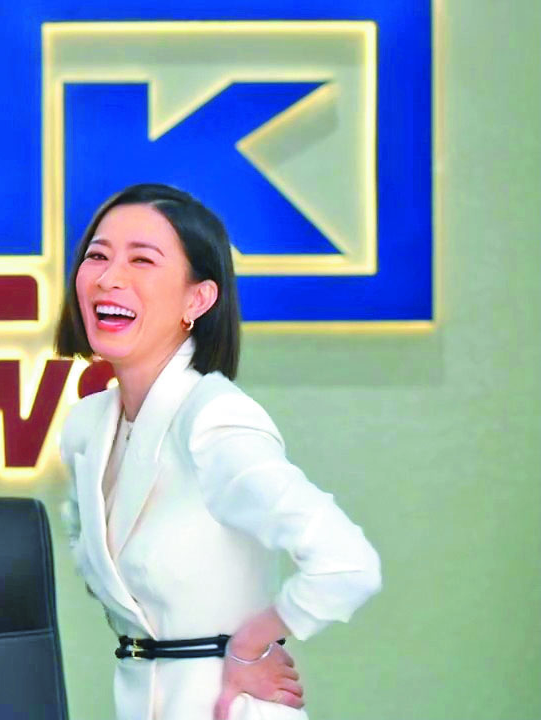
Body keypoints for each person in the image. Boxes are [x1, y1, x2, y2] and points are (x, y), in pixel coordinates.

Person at [55, 183, 381, 720]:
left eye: (142, 260)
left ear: (198, 299)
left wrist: (252, 643)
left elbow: (347, 563)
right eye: (97, 256)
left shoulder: (214, 416)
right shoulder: (87, 426)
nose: (109, 277)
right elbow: (98, 564)